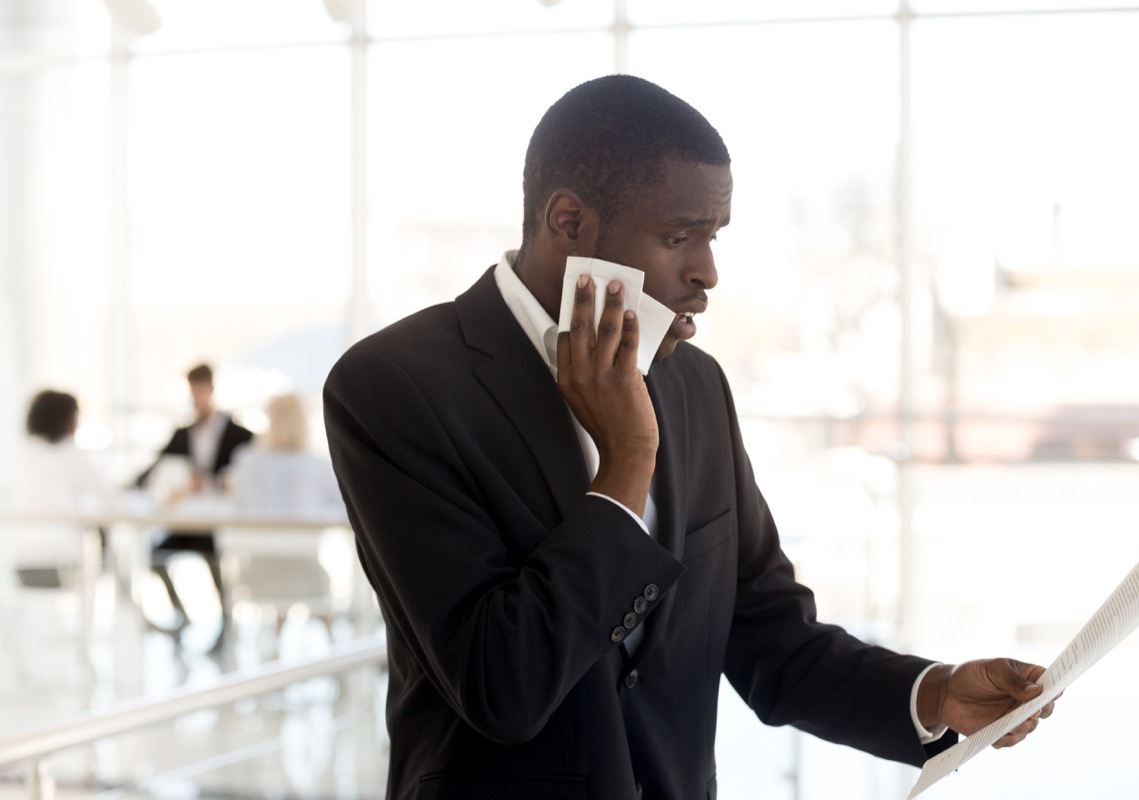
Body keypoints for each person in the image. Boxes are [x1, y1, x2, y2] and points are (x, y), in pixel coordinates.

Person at [323, 75, 1055, 800]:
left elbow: (772, 638)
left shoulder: (696, 384)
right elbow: (502, 685)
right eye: (680, 237)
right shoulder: (395, 387)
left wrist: (936, 694)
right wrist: (629, 461)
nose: (707, 272)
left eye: (713, 236)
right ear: (570, 223)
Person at [134, 362, 253, 638]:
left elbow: (245, 477)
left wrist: (210, 482)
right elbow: (155, 466)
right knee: (155, 556)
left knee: (217, 567)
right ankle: (181, 616)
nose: (196, 399)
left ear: (210, 389)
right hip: (187, 521)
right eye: (192, 392)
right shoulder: (181, 434)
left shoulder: (240, 434)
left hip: (220, 524)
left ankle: (226, 628)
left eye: (200, 391)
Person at [220, 393, 345, 636]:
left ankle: (274, 649)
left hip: (256, 574)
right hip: (306, 575)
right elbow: (343, 506)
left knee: (285, 572)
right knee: (301, 575)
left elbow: (234, 509)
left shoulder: (246, 460)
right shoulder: (316, 464)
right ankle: (337, 658)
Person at [12, 389, 112, 588]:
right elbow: (110, 500)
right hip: (62, 562)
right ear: (65, 419)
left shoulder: (19, 453)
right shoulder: (72, 455)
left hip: (18, 560)